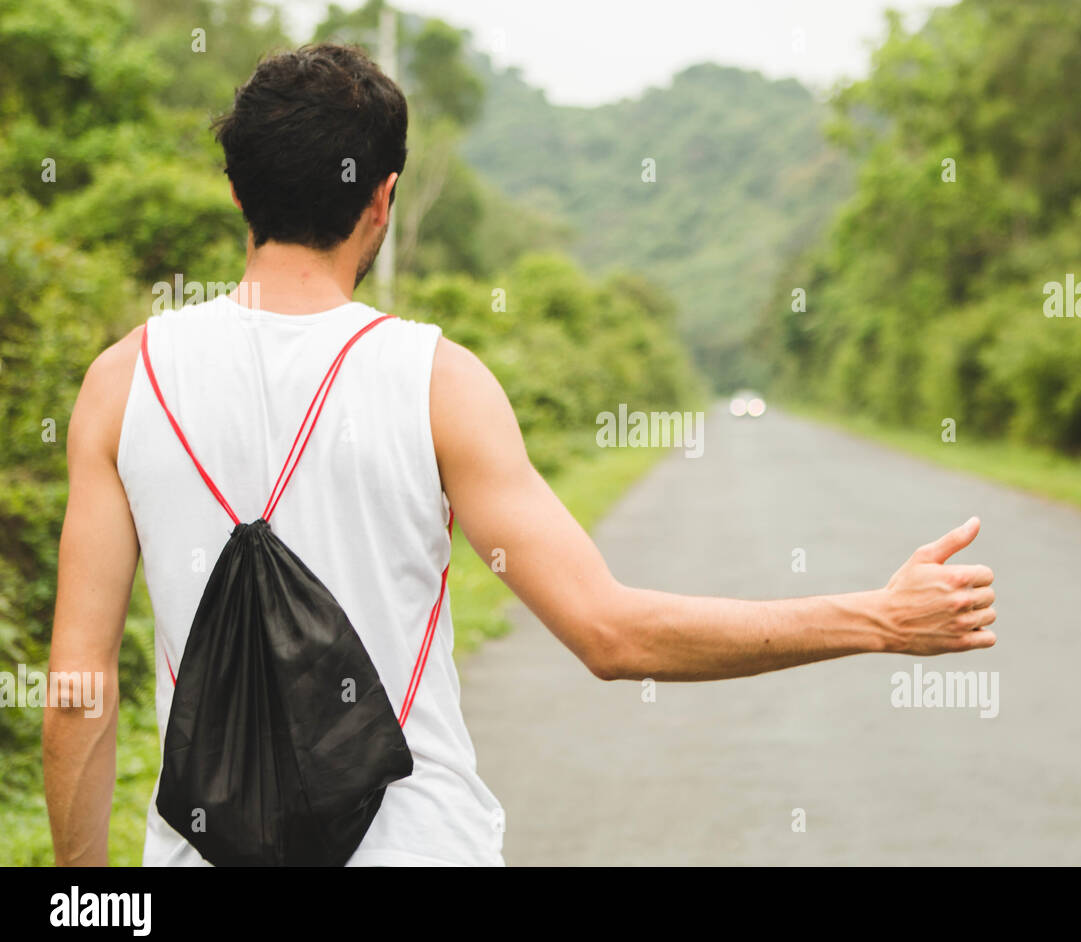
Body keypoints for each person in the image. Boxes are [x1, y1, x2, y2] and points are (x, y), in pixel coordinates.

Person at [43, 44, 996, 867]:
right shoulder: (436, 381)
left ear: (238, 189)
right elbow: (611, 634)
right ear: (383, 198)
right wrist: (875, 617)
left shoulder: (123, 383)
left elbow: (79, 694)